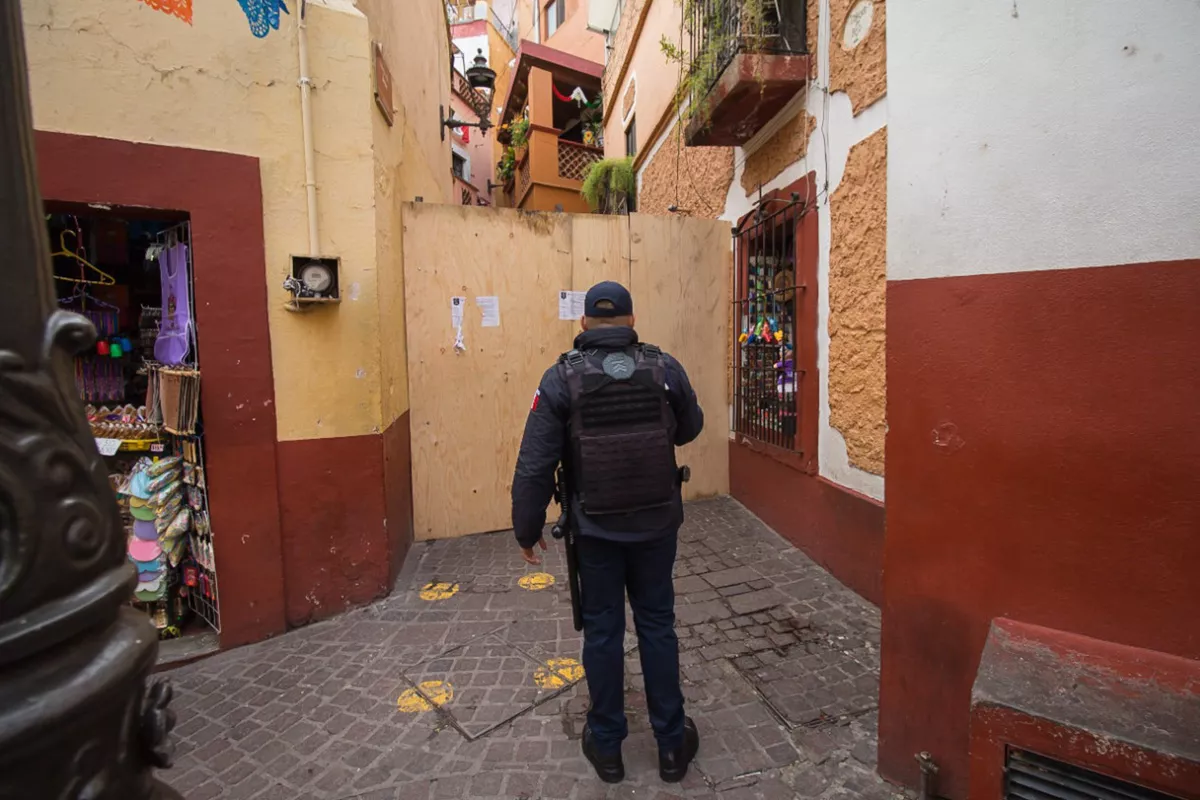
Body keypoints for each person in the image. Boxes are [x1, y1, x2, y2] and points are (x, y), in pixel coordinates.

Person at [511, 281, 705, 784]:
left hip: (594, 532)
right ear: (631, 319)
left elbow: (535, 463)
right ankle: (670, 748)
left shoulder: (560, 379)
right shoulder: (664, 367)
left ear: (583, 326)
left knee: (603, 631)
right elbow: (690, 428)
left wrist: (525, 529)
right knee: (657, 624)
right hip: (657, 524)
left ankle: (608, 748)